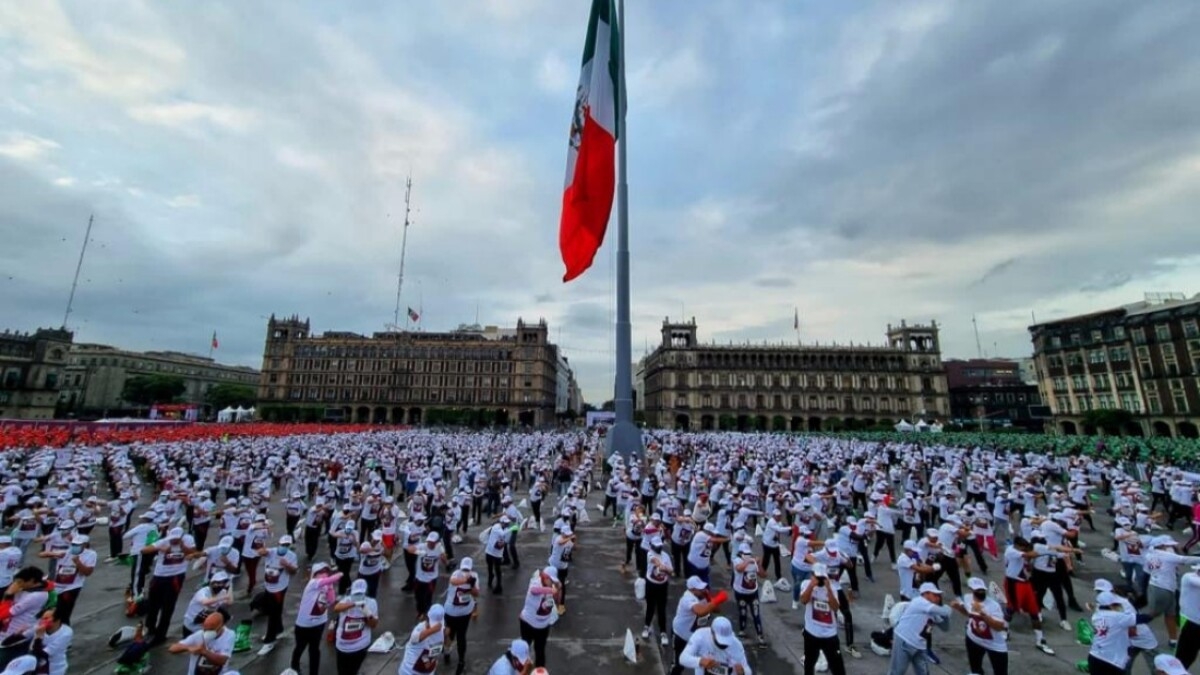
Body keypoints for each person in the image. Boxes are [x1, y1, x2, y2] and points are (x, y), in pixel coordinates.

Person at [142, 526, 196, 645]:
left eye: (176, 539)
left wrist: (182, 547)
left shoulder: (188, 540)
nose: (173, 541)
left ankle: (161, 634)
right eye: (172, 539)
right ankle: (150, 629)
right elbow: (144, 550)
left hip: (175, 577)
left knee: (168, 606)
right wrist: (161, 549)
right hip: (159, 576)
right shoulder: (165, 541)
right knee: (153, 604)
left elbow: (194, 553)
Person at [887, 583, 958, 675]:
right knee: (897, 672)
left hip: (920, 646)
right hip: (904, 641)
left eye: (939, 596)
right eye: (935, 595)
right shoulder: (919, 602)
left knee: (923, 672)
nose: (938, 598)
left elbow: (945, 627)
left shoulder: (932, 611)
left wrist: (946, 616)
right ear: (926, 594)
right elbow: (945, 611)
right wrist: (947, 609)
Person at [1001, 537, 1055, 654]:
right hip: (1013, 582)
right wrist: (1046, 550)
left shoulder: (1022, 553)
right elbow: (1031, 554)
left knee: (1034, 611)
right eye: (1022, 547)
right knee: (1012, 608)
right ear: (1016, 545)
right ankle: (1004, 630)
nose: (1024, 550)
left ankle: (1040, 640)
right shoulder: (1011, 551)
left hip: (1026, 584)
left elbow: (1028, 567)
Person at [289, 562, 341, 675]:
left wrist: (330, 588)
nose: (324, 574)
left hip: (319, 624)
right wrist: (334, 578)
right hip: (304, 624)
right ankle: (294, 665)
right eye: (320, 572)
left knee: (315, 649)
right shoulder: (312, 584)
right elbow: (324, 581)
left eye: (326, 572)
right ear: (314, 574)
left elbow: (332, 601)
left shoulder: (326, 587)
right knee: (300, 646)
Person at [949, 577, 1007, 675]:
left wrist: (982, 613)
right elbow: (969, 613)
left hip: (994, 644)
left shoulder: (993, 606)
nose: (980, 592)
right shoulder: (968, 598)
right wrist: (959, 608)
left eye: (982, 590)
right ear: (972, 590)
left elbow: (999, 627)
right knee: (975, 669)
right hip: (973, 639)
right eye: (977, 590)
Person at [669, 577, 727, 675]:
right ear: (692, 590)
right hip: (680, 635)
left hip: (696, 636)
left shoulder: (703, 595)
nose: (703, 590)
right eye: (699, 588)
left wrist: (710, 598)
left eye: (702, 587)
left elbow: (717, 610)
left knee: (704, 662)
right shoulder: (687, 598)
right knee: (679, 664)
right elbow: (700, 611)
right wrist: (717, 599)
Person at [254, 535, 298, 655]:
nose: (284, 547)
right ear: (279, 543)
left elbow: (294, 571)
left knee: (273, 614)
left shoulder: (291, 556)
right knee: (274, 610)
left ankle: (269, 641)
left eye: (287, 545)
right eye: (283, 544)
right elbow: (261, 552)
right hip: (269, 587)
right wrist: (263, 549)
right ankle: (278, 629)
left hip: (279, 589)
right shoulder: (272, 552)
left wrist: (287, 565)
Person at [0, 567, 50, 669]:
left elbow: (5, 613)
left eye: (20, 582)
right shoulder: (24, 590)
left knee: (7, 662)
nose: (17, 584)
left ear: (31, 581)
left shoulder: (36, 596)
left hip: (17, 635)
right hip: (6, 630)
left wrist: (8, 594)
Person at [800, 563, 846, 675]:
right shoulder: (806, 584)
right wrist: (812, 586)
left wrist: (829, 589)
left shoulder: (832, 588)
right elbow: (804, 600)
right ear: (812, 575)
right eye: (818, 578)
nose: (820, 581)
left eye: (822, 578)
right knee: (809, 664)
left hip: (829, 635)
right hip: (812, 633)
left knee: (838, 667)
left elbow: (835, 607)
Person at [44, 534, 94, 625]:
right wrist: (53, 554)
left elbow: (87, 573)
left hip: (72, 587)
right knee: (51, 610)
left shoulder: (90, 555)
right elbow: (42, 554)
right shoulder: (67, 552)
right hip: (58, 585)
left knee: (64, 613)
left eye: (78, 545)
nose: (75, 547)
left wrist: (78, 563)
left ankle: (64, 630)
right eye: (74, 544)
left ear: (84, 545)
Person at [518, 567, 561, 668]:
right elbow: (534, 590)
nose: (552, 583)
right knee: (524, 648)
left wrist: (559, 589)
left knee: (540, 652)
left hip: (543, 627)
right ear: (544, 577)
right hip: (528, 624)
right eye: (551, 581)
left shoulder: (553, 587)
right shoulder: (535, 582)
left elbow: (557, 602)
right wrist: (551, 590)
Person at [333, 578, 379, 675]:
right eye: (356, 594)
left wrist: (367, 611)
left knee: (353, 671)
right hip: (342, 646)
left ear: (365, 592)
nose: (358, 596)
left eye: (360, 594)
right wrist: (353, 604)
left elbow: (373, 624)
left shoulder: (371, 603)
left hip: (360, 646)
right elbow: (336, 608)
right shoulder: (347, 600)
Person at [678, 616, 753, 675]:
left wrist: (743, 672)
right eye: (720, 640)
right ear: (712, 632)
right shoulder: (700, 636)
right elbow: (683, 658)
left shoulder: (736, 645)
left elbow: (747, 669)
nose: (723, 644)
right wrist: (701, 661)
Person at [168, 611, 234, 675]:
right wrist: (189, 648)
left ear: (221, 626)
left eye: (210, 629)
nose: (207, 632)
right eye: (205, 629)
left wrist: (204, 651)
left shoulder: (229, 635)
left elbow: (222, 660)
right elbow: (172, 648)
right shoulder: (199, 635)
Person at [443, 558, 480, 675]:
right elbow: (452, 581)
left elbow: (476, 593)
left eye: (467, 570)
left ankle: (460, 660)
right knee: (450, 633)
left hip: (463, 612)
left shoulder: (474, 576)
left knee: (460, 636)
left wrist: (472, 585)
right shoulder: (457, 574)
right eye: (464, 569)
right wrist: (465, 580)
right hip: (452, 611)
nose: (465, 571)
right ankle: (447, 652)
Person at [731, 543, 766, 646]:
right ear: (740, 553)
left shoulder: (753, 562)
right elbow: (739, 569)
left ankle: (760, 636)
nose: (747, 555)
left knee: (756, 614)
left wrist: (758, 564)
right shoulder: (737, 560)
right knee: (743, 612)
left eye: (749, 554)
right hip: (740, 592)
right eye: (745, 554)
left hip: (752, 592)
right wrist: (748, 561)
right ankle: (742, 630)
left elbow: (763, 575)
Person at [643, 535, 673, 646]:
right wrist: (661, 566)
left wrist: (667, 569)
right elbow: (654, 560)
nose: (659, 548)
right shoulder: (650, 553)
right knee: (650, 607)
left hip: (662, 586)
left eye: (660, 546)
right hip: (651, 584)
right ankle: (646, 626)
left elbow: (671, 571)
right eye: (657, 546)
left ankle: (663, 632)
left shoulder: (666, 556)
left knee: (661, 609)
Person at [182, 572, 233, 638]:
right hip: (191, 627)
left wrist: (230, 586)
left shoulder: (222, 592)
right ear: (211, 583)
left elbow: (230, 602)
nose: (220, 585)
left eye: (222, 583)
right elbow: (205, 602)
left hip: (204, 628)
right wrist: (223, 597)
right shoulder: (203, 592)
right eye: (217, 583)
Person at [399, 604, 446, 675]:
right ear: (427, 618)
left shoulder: (442, 630)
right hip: (409, 672)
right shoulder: (419, 628)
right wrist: (433, 629)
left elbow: (436, 653)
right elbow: (415, 638)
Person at [24, 608, 71, 675]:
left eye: (46, 618)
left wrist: (38, 637)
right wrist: (17, 633)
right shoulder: (40, 628)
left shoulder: (65, 632)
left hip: (55, 669)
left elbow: (43, 654)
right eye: (42, 618)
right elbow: (32, 651)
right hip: (39, 668)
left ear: (57, 620)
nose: (43, 621)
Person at [414, 532, 447, 616]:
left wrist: (443, 558)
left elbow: (445, 561)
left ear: (436, 542)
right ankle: (420, 610)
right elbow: (410, 548)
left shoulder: (439, 548)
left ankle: (426, 614)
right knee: (418, 596)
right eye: (429, 541)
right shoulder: (422, 546)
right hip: (419, 577)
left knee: (428, 596)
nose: (430, 544)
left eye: (432, 542)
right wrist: (417, 552)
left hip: (431, 579)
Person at [1177, 561, 1200, 668]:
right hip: (1189, 620)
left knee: (1191, 654)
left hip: (1194, 621)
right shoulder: (1189, 577)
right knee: (1184, 654)